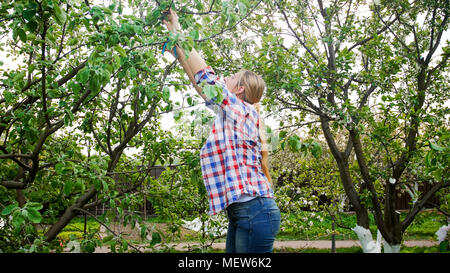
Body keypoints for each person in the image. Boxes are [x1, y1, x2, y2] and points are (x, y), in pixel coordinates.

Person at [162, 9, 280, 253]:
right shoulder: (235, 112)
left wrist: (178, 28)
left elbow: (206, 78)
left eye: (231, 77)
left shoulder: (239, 110)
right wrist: (177, 46)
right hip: (245, 213)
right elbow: (201, 86)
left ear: (239, 89)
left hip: (255, 213)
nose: (224, 77)